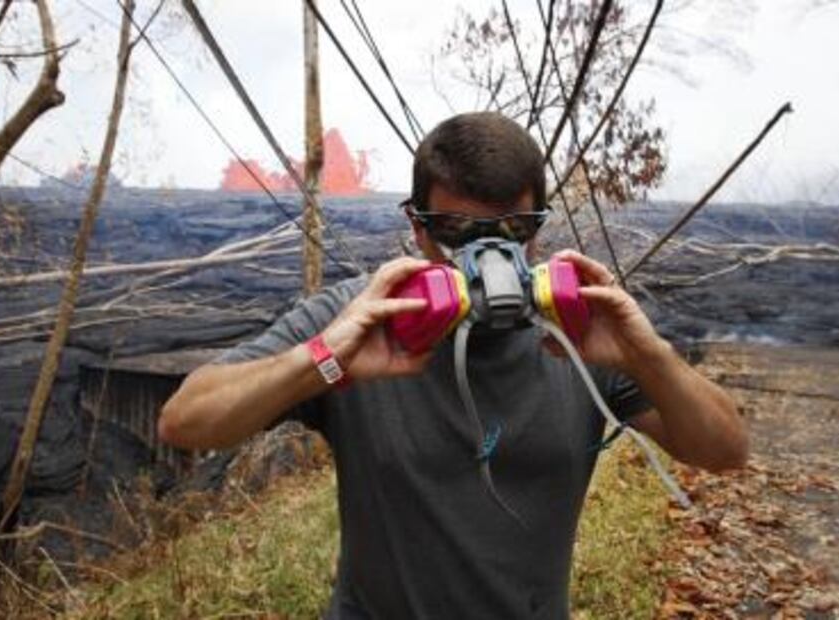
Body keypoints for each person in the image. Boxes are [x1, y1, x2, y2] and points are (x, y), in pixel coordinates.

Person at [158, 112, 748, 618]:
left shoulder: (582, 333)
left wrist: (647, 357)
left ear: (539, 231)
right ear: (417, 226)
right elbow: (186, 420)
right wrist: (326, 361)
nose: (488, 257)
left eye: (513, 232)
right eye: (456, 232)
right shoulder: (361, 320)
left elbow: (726, 452)